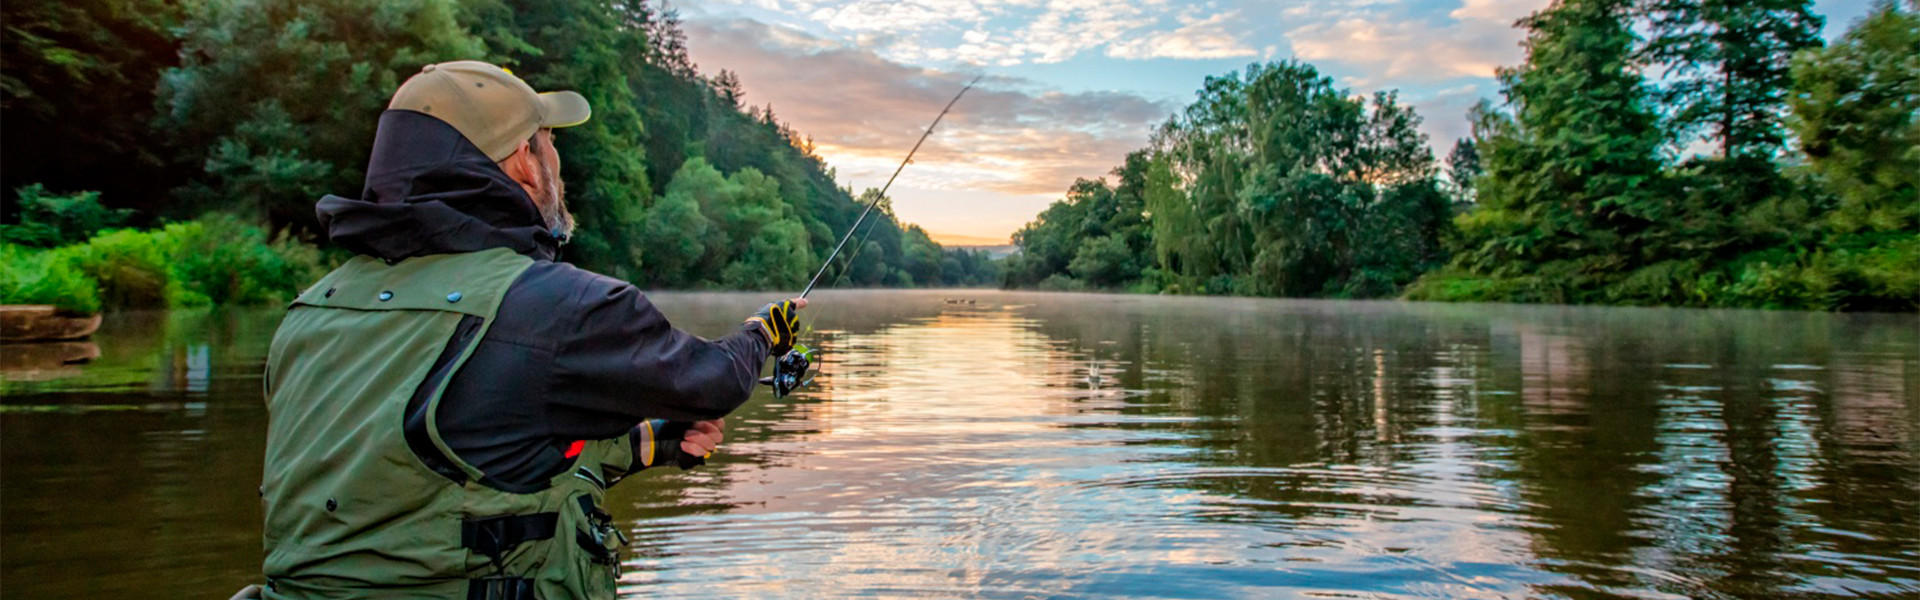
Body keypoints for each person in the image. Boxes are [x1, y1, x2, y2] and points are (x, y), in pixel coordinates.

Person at [255, 60, 804, 600]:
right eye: (549, 142)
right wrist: (761, 332)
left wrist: (649, 445)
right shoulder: (561, 305)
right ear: (523, 161)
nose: (557, 162)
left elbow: (448, 459)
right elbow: (713, 382)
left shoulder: (312, 312)